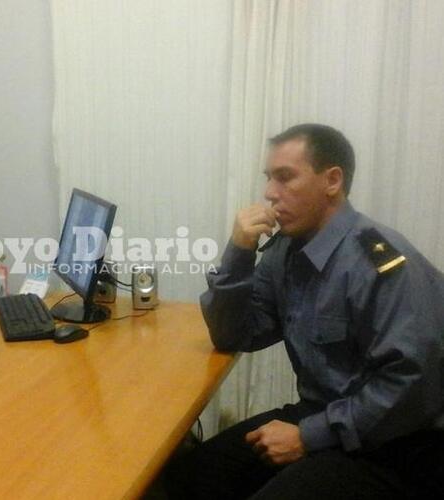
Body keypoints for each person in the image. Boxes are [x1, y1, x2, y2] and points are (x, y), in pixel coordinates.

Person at [165, 124, 444, 499]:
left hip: (394, 445)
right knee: (188, 478)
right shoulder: (286, 250)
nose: (268, 193)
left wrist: (308, 437)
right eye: (269, 179)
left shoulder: (377, 262)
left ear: (332, 181)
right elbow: (237, 334)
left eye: (285, 178)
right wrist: (239, 251)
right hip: (323, 414)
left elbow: (410, 387)